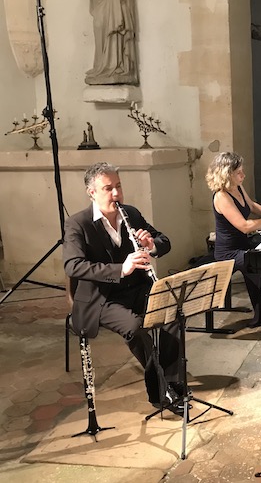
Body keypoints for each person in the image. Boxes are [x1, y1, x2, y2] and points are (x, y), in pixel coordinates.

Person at [63, 162, 184, 416]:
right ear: (92, 192)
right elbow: (73, 266)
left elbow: (164, 241)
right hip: (101, 298)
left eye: (118, 186)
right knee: (135, 328)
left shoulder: (131, 213)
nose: (116, 194)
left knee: (172, 310)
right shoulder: (78, 223)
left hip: (136, 289)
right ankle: (160, 392)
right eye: (108, 188)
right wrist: (121, 269)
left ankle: (171, 380)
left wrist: (150, 246)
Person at [205, 152, 261, 327]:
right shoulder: (221, 196)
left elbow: (252, 205)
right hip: (228, 252)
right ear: (227, 174)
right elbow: (244, 226)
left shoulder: (237, 187)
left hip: (242, 244)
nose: (243, 175)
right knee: (258, 264)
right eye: (238, 173)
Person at [85, 0, 138, 85]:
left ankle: (118, 65)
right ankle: (101, 66)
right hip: (101, 5)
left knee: (115, 29)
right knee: (99, 26)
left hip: (116, 4)